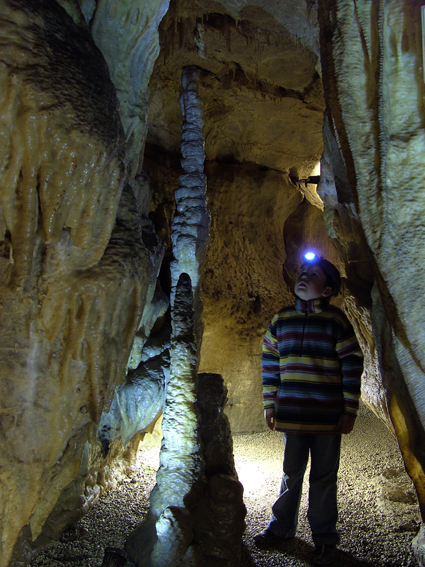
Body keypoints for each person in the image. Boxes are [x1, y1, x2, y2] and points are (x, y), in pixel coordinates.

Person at [254, 255, 363, 566]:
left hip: (327, 416)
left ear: (327, 290)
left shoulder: (336, 322)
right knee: (291, 473)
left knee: (324, 477)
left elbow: (352, 365)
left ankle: (325, 539)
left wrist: (349, 409)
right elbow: (269, 364)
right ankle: (282, 528)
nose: (303, 275)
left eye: (313, 274)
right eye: (302, 271)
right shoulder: (281, 320)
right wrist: (269, 403)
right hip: (292, 414)